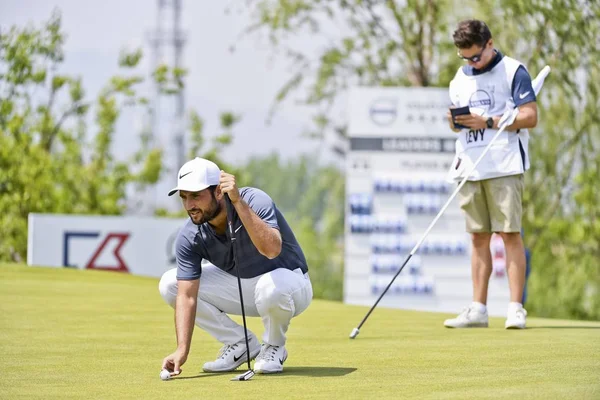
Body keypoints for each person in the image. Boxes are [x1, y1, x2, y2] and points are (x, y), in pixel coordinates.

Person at [159, 157, 313, 376]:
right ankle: (240, 344)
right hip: (245, 288)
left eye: (195, 196)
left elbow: (271, 250)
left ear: (218, 191)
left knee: (271, 287)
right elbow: (186, 296)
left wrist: (239, 203)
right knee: (170, 285)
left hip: (291, 285)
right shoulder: (189, 235)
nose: (189, 206)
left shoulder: (254, 200)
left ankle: (274, 346)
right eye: (184, 197)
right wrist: (182, 350)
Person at [443, 20, 538, 329]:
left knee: (510, 235)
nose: (471, 63)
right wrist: (456, 121)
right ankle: (478, 309)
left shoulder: (513, 70)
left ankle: (514, 309)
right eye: (465, 58)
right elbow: (455, 122)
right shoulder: (459, 78)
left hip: (504, 162)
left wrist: (491, 122)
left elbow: (529, 116)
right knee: (479, 237)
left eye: (476, 57)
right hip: (471, 164)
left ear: (489, 43)